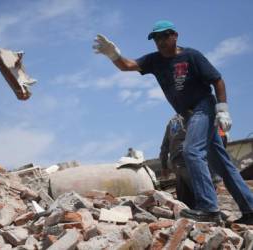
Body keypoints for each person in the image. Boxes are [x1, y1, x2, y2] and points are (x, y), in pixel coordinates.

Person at [93, 20, 253, 224]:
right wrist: (113, 54)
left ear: (175, 35)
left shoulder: (191, 56)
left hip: (203, 107)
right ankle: (250, 209)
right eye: (156, 38)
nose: (160, 41)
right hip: (188, 114)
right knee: (221, 163)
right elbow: (127, 65)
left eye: (164, 36)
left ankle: (209, 208)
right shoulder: (154, 60)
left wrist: (223, 109)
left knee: (191, 151)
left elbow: (217, 80)